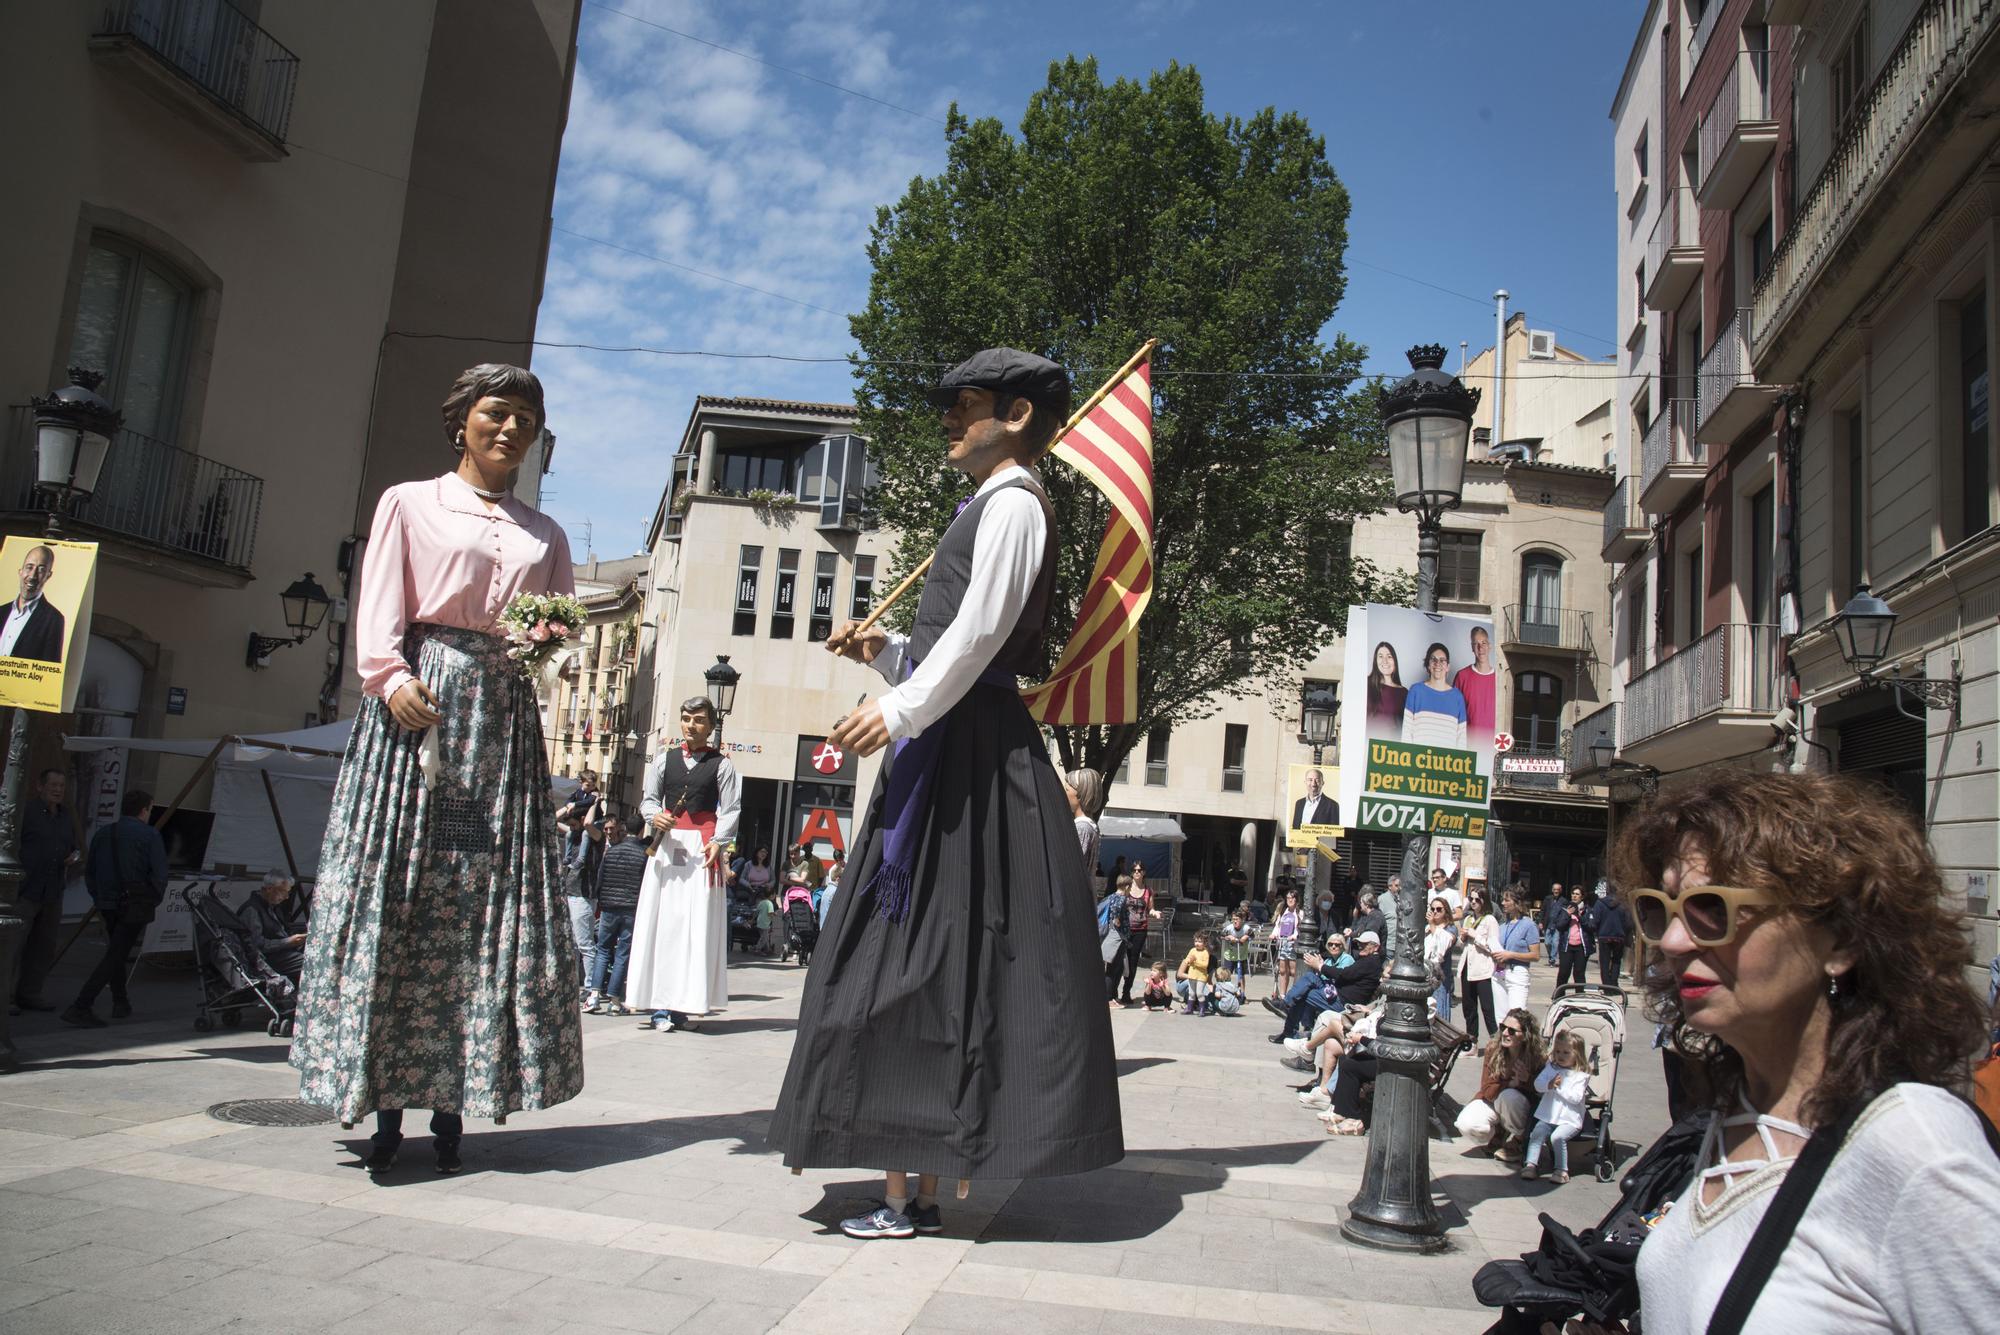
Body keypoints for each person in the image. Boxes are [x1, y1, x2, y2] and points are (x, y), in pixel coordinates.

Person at [768, 348, 1122, 1241]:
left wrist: (896, 707)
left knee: (923, 960)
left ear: (1014, 414)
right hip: (952, 745)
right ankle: (912, 1179)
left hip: (964, 758)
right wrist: (885, 655)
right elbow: (957, 653)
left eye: (965, 405)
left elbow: (975, 642)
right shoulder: (990, 507)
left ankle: (912, 1183)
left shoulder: (1014, 505)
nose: (949, 421)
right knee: (922, 960)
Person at [290, 363, 583, 1176]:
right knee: (406, 887)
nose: (509, 428)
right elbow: (380, 604)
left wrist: (546, 648)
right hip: (423, 707)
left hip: (503, 720)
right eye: (496, 413)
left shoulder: (546, 533)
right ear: (463, 420)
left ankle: (456, 1096)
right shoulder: (408, 502)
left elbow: (554, 635)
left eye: (525, 417)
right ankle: (386, 1103)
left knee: (480, 901)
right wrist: (389, 677)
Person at [1610, 771, 2000, 1333]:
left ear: (1841, 938)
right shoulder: (1731, 1115)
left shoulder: (1918, 1150)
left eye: (1712, 908)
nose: (1672, 940)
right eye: (1659, 908)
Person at [625, 697, 742, 1033]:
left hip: (702, 850)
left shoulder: (723, 765)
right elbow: (648, 800)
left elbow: (731, 809)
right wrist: (653, 815)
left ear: (711, 725)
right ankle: (660, 1005)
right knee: (663, 924)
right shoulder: (664, 761)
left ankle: (684, 1006)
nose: (692, 725)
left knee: (697, 927)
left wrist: (718, 843)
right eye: (687, 718)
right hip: (667, 847)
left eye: (699, 719)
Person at [62, 789, 166, 1027]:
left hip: (107, 903)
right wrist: (151, 900)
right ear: (144, 810)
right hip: (134, 905)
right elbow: (160, 875)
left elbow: (91, 873)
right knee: (116, 954)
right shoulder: (149, 836)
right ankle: (81, 1004)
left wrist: (99, 898)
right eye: (150, 809)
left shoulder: (103, 834)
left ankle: (120, 1001)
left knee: (117, 951)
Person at [12, 766, 79, 1011]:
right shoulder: (26, 812)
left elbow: (72, 845)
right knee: (14, 944)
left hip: (52, 890)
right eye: (53, 786)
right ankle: (5, 995)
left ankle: (30, 993)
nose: (58, 791)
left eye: (61, 786)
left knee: (43, 946)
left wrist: (73, 856)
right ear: (40, 787)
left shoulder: (65, 817)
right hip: (27, 888)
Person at [1455, 1007, 1542, 1160]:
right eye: (1503, 1027)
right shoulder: (1493, 1049)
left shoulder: (1537, 1056)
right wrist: (1509, 1083)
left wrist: (1527, 1079)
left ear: (1525, 1036)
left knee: (1509, 1097)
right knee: (1465, 1124)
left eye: (1512, 1030)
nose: (1506, 1033)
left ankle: (1520, 1139)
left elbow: (1541, 1093)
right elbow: (1487, 1089)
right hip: (1493, 1099)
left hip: (1519, 1107)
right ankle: (1499, 1133)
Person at [1269, 930, 1382, 1041]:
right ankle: (1286, 1006)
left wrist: (1320, 966)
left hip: (1342, 1001)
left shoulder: (1368, 962)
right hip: (1334, 991)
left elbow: (1342, 975)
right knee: (1309, 977)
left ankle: (1289, 1026)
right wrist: (1321, 966)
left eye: (1364, 944)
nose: (1360, 946)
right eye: (1359, 943)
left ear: (1376, 947)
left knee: (1305, 993)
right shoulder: (1366, 960)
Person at [586, 814, 647, 1015]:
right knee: (622, 952)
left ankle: (594, 995)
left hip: (609, 907)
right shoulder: (643, 854)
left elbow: (600, 878)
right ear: (641, 830)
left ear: (623, 828)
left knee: (603, 949)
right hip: (630, 907)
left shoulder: (611, 852)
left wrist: (600, 901)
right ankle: (614, 999)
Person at [1520, 1030, 1591, 1184]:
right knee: (1536, 1134)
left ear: (1576, 1055)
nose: (1560, 1055)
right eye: (1558, 1051)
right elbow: (1538, 1085)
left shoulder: (1580, 1076)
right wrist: (1549, 1085)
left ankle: (1561, 1170)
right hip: (1548, 1115)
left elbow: (1576, 1098)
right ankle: (1531, 1164)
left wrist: (1559, 1087)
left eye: (1566, 1052)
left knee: (1557, 1137)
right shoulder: (1550, 1068)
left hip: (1569, 1119)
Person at [0, 543, 66, 664]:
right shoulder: (1, 611)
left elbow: (48, 670)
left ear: (48, 576)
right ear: (20, 571)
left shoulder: (54, 619)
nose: (32, 576)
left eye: (41, 570)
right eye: (29, 567)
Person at [244, 869, 311, 983]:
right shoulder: (252, 910)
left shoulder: (272, 906)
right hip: (269, 960)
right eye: (284, 892)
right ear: (270, 889)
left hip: (284, 953)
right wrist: (288, 942)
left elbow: (281, 931)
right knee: (312, 962)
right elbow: (257, 945)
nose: (286, 897)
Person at [1400, 642, 1468, 750]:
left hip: (1447, 762)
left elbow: (1461, 739)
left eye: (1442, 660)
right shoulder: (1416, 691)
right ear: (1428, 665)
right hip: (1418, 760)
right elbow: (1406, 732)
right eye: (1433, 659)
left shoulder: (1458, 697)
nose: (1437, 663)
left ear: (1448, 667)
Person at [1456, 885, 1500, 1047]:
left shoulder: (1490, 920)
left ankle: (1496, 1041)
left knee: (1487, 1008)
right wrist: (1462, 937)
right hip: (1467, 967)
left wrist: (1474, 935)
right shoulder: (1468, 919)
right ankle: (1472, 1042)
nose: (1473, 902)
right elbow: (1462, 946)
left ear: (1484, 901)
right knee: (1469, 1007)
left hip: (1483, 969)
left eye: (1477, 899)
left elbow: (1493, 946)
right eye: (1471, 899)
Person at [1492, 887, 1541, 1015]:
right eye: (1503, 900)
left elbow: (1535, 955)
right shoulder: (1503, 926)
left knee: (1517, 1015)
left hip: (1517, 973)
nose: (1503, 903)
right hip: (1499, 973)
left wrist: (1511, 954)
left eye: (1507, 900)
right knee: (1501, 1016)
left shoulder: (1528, 925)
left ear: (1517, 903)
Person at [1450, 624, 1498, 749]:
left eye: (1484, 643)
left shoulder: (1499, 679)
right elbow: (1453, 713)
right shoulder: (1462, 676)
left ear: (1490, 646)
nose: (1480, 647)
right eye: (1476, 643)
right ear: (1472, 647)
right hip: (1467, 746)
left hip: (1492, 747)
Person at [1119, 862, 1160, 1003]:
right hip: (1124, 929)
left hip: (1140, 930)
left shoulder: (1148, 890)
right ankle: (1113, 992)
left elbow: (1151, 908)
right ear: (1131, 873)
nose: (1137, 872)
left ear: (1144, 872)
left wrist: (1155, 913)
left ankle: (1126, 992)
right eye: (1134, 870)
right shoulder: (1127, 888)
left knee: (1133, 960)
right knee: (1121, 960)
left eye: (1140, 870)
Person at [1097, 874, 1133, 1005]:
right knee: (1113, 969)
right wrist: (1117, 920)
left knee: (1114, 968)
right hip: (1117, 937)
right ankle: (1108, 999)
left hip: (1112, 935)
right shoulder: (1121, 898)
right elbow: (1117, 911)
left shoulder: (1110, 896)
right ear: (1127, 886)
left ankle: (1111, 996)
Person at [1065, 768, 1104, 883]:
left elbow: (1073, 869)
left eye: (1067, 789)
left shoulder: (1082, 827)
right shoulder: (1089, 825)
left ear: (1080, 794)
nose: (1064, 794)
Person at [1552, 884, 1594, 989]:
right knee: (1564, 972)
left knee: (1579, 973)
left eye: (1577, 894)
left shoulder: (1588, 910)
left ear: (1582, 897)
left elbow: (1591, 927)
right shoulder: (1565, 909)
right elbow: (1559, 926)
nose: (1574, 896)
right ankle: (1559, 994)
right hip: (1567, 945)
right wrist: (1568, 915)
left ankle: (1579, 995)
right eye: (1573, 894)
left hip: (1581, 946)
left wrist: (1579, 917)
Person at [1423, 896, 1458, 1024]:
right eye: (1433, 909)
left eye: (1439, 909)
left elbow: (1442, 948)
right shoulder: (1426, 928)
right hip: (1425, 974)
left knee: (1438, 1012)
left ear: (1446, 911)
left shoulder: (1450, 928)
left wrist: (1432, 924)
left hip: (1440, 978)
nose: (1435, 912)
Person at [1588, 883, 1629, 987]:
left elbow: (1595, 920)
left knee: (1604, 962)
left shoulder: (1600, 903)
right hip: (1619, 936)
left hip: (1604, 935)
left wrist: (1595, 930)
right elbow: (1627, 921)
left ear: (1606, 891)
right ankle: (1614, 984)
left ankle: (1606, 985)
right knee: (1616, 961)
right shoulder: (1623, 904)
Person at [1364, 641, 1406, 734]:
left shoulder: (1404, 693)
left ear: (1395, 661)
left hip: (1389, 746)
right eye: (1380, 656)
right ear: (1375, 661)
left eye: (1389, 656)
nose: (1385, 661)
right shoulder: (1364, 684)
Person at [1269, 888, 1303, 1000]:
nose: (1290, 900)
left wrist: (1294, 936)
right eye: (1288, 898)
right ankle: (1283, 995)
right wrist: (1273, 935)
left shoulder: (1299, 913)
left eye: (1292, 898)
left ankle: (1294, 994)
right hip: (1282, 942)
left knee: (1293, 971)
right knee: (1283, 970)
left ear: (1297, 899)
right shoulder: (1284, 912)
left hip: (1292, 943)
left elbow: (1300, 928)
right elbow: (1277, 926)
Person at [1175, 930, 1214, 1015]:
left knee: (1199, 993)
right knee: (1191, 993)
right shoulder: (1192, 950)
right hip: (1192, 976)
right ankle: (1189, 1008)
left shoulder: (1205, 952)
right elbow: (1188, 959)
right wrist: (1188, 961)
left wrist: (1194, 962)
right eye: (1196, 941)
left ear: (1205, 943)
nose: (1197, 943)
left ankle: (1202, 1009)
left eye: (1200, 942)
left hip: (1201, 977)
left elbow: (1204, 965)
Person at [1219, 907, 1252, 991]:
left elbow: (1252, 935)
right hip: (1229, 956)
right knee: (1226, 975)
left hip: (1241, 956)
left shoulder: (1246, 928)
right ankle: (1226, 993)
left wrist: (1246, 936)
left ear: (1242, 919)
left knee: (1241, 975)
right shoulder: (1229, 928)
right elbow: (1220, 936)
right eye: (1233, 919)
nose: (1235, 921)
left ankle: (1242, 994)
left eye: (1237, 919)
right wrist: (1228, 937)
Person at [1542, 882, 1566, 965]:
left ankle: (1552, 959)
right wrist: (1541, 922)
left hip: (1557, 925)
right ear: (1552, 890)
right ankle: (1550, 956)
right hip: (1548, 924)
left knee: (1555, 943)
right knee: (1547, 942)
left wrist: (1561, 923)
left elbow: (1564, 913)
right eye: (1554, 889)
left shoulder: (1564, 901)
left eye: (1558, 890)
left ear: (1560, 890)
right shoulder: (1547, 899)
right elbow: (1543, 911)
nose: (1556, 891)